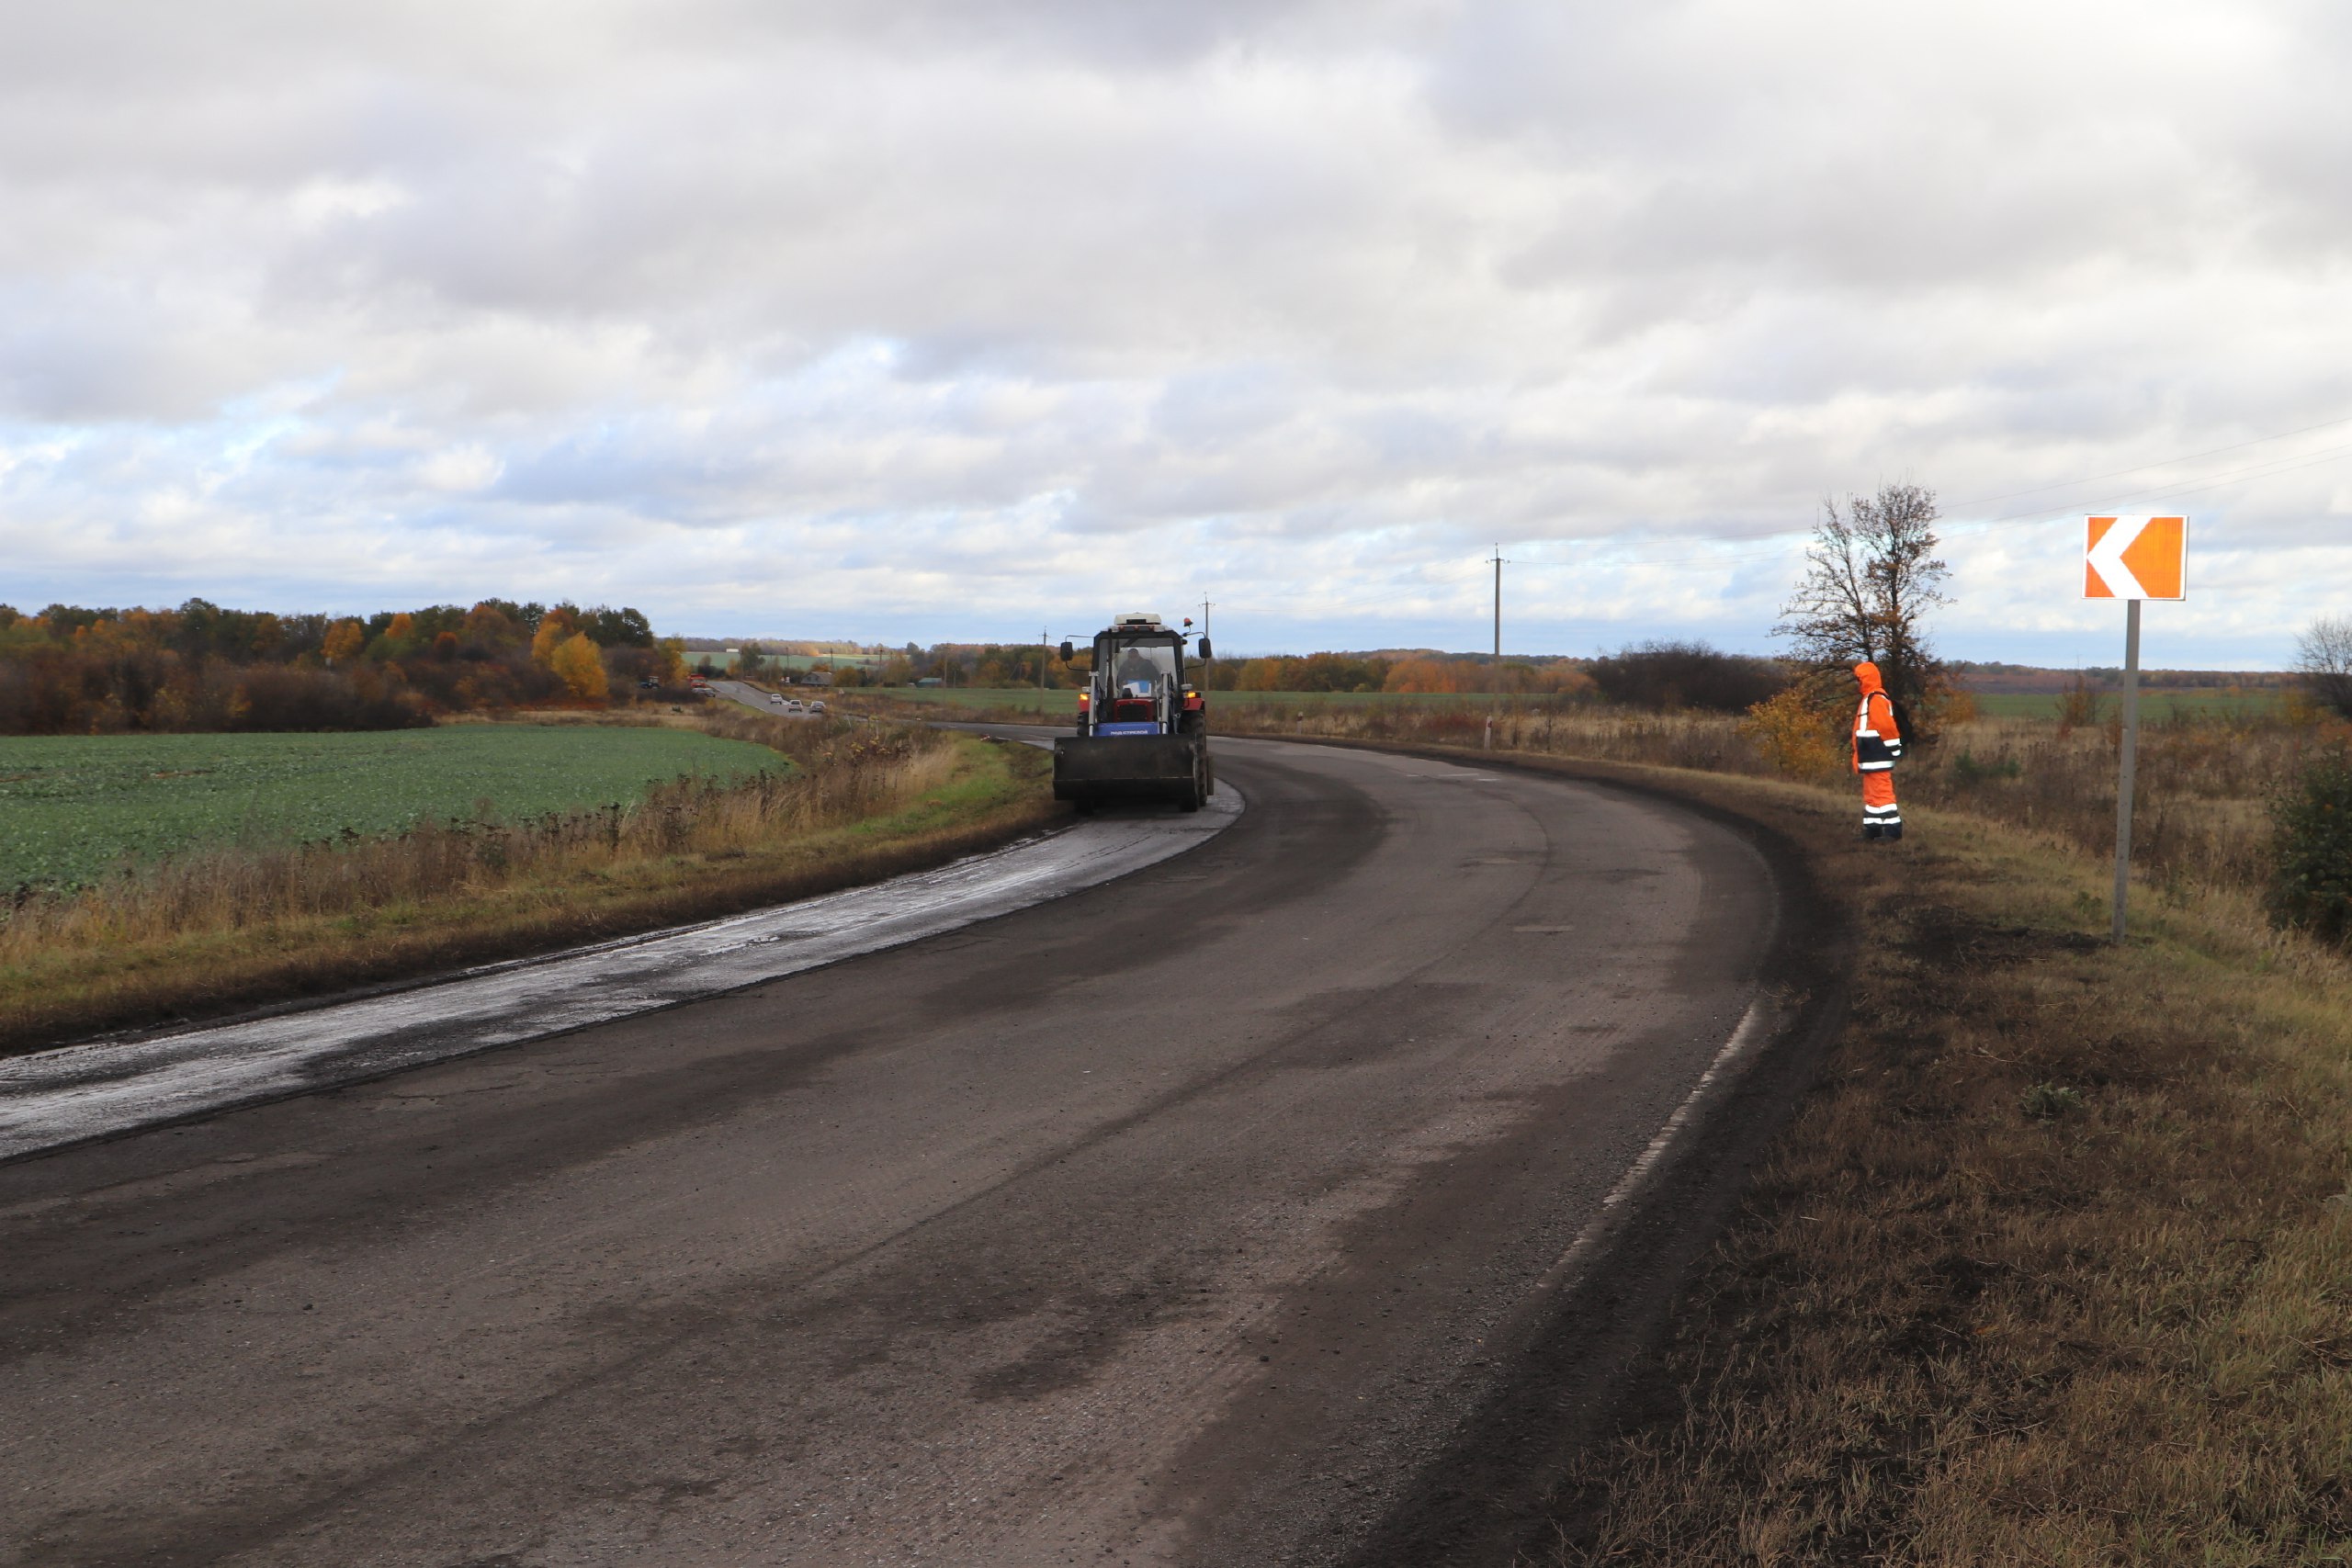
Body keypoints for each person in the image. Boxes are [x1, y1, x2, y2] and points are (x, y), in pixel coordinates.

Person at [1851, 660, 1904, 840]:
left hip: (1877, 754)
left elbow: (1886, 727)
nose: (1857, 683)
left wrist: (1894, 748)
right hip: (1870, 755)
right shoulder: (1870, 698)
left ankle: (1892, 831)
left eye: (1859, 679)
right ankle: (1873, 829)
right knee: (1872, 794)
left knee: (1882, 792)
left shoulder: (1876, 698)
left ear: (1866, 679)